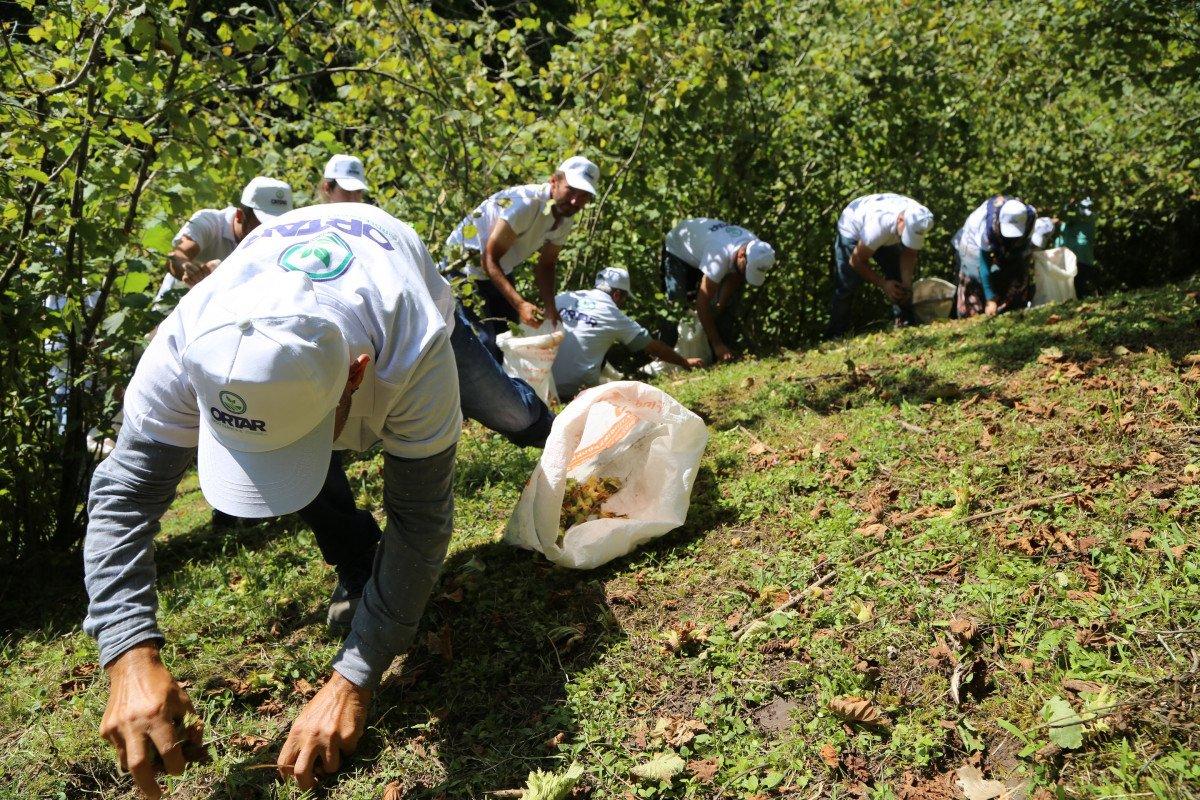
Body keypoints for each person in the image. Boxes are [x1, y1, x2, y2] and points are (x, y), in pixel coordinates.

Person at [83, 203, 461, 796]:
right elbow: (123, 497)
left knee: (508, 409)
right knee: (309, 485)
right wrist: (128, 653)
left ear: (356, 375)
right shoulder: (186, 343)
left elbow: (421, 520)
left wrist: (354, 679)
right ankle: (361, 562)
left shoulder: (413, 346)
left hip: (390, 256)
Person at [445, 155, 599, 359]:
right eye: (571, 190)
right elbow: (489, 259)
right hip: (465, 270)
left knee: (507, 341)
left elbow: (547, 264)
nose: (575, 201)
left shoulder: (565, 216)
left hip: (498, 269)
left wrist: (551, 308)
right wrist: (520, 304)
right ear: (554, 181)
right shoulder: (527, 203)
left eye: (583, 196)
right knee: (482, 343)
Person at [553, 267, 703, 399]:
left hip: (546, 382)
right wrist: (684, 361)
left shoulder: (563, 298)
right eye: (624, 298)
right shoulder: (612, 314)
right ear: (617, 295)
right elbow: (653, 347)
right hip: (576, 390)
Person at [155, 176, 293, 303]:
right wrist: (188, 269)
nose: (271, 230)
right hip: (173, 308)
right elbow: (177, 257)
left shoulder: (280, 238)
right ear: (240, 215)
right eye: (262, 223)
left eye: (279, 224)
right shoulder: (209, 222)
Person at [660, 218, 776, 361]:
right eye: (747, 269)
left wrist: (720, 304)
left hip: (702, 247)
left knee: (723, 306)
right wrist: (717, 344)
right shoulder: (719, 256)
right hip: (678, 246)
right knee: (676, 305)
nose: (747, 275)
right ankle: (665, 356)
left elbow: (737, 275)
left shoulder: (756, 248)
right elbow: (702, 303)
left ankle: (717, 356)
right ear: (741, 255)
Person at [826, 192, 935, 337]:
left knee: (898, 276)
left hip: (882, 233)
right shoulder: (877, 226)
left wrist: (907, 284)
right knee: (846, 286)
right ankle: (836, 335)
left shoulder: (919, 217)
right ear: (901, 220)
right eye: (907, 234)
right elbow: (856, 261)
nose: (907, 238)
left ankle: (905, 324)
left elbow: (910, 253)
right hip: (853, 228)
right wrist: (883, 284)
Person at [953, 195, 1036, 318]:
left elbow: (1021, 253)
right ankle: (973, 314)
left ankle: (1010, 309)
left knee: (1015, 271)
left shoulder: (1030, 217)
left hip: (1004, 240)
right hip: (972, 243)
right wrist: (990, 299)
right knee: (974, 276)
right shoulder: (985, 224)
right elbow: (984, 265)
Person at [1056, 197, 1096, 296]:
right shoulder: (1067, 218)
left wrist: (1073, 206)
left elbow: (1086, 215)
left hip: (1082, 259)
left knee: (1081, 287)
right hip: (1066, 258)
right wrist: (1069, 206)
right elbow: (1061, 216)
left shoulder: (1089, 217)